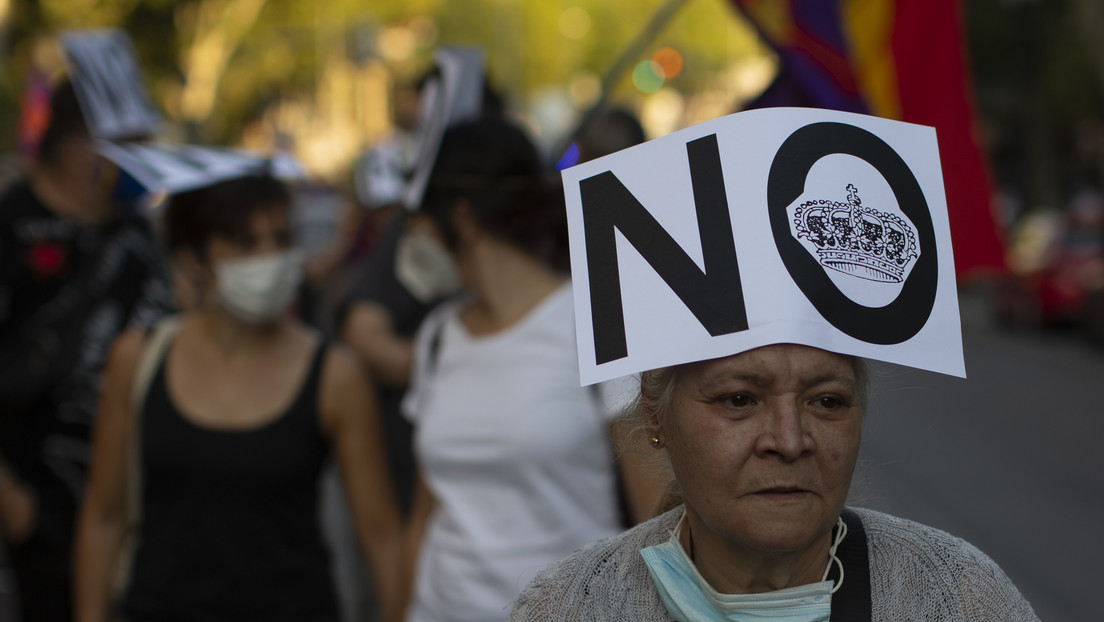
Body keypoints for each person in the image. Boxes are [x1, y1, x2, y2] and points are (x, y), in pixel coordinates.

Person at [74, 172, 402, 622]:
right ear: (194, 257)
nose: (268, 259)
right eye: (245, 243)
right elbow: (104, 517)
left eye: (281, 239)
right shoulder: (137, 359)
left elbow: (380, 536)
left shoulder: (335, 376)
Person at [509, 343, 1039, 620]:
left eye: (826, 401)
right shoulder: (567, 608)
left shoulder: (962, 598)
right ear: (654, 412)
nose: (789, 441)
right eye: (739, 400)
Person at [399, 117, 661, 622]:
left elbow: (657, 516)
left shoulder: (595, 325)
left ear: (463, 218)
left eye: (419, 224)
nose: (410, 244)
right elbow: (424, 516)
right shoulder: (436, 337)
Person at [0, 79, 169, 622]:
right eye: (132, 147)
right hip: (33, 515)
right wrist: (13, 503)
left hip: (127, 509)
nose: (144, 163)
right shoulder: (8, 228)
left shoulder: (137, 234)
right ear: (79, 149)